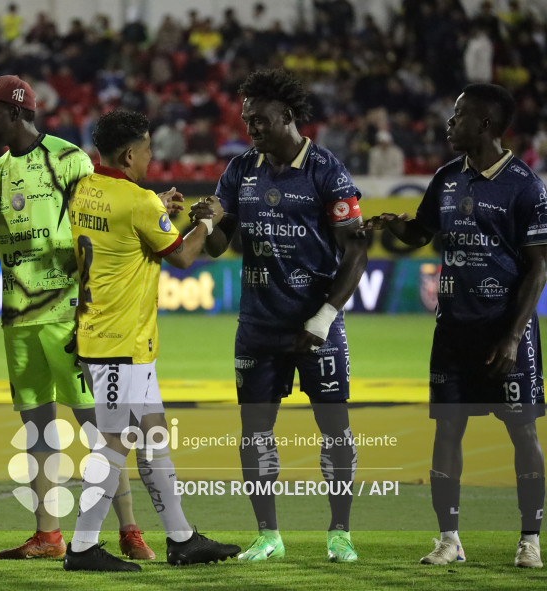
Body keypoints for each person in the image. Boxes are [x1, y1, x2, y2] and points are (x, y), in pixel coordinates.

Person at [0, 75, 154, 561]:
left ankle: (129, 529)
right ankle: (48, 535)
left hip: (69, 315)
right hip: (18, 319)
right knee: (38, 429)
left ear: (15, 112)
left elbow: (100, 226)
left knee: (98, 428)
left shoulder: (69, 159)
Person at [362, 83, 547, 568]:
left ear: (484, 124)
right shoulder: (446, 177)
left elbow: (539, 266)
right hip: (452, 331)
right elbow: (422, 231)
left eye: (459, 115)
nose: (449, 122)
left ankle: (530, 539)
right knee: (447, 431)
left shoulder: (525, 186)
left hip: (505, 333)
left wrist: (513, 336)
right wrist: (396, 225)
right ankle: (449, 539)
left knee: (522, 432)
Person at [190, 69, 367, 563]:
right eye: (247, 120)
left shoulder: (327, 171)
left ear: (287, 116)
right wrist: (207, 222)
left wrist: (325, 316)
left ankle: (340, 533)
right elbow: (221, 245)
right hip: (258, 325)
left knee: (334, 429)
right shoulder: (240, 168)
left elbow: (356, 251)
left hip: (315, 326)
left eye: (260, 119)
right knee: (254, 432)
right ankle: (268, 534)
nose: (251, 128)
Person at [63, 109, 241, 572]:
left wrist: (156, 207)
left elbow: (118, 222)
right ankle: (81, 547)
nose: (150, 157)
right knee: (114, 442)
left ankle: (181, 539)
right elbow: (182, 257)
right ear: (128, 154)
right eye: (146, 150)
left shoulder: (84, 189)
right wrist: (207, 222)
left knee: (153, 433)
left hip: (114, 340)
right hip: (118, 343)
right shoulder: (138, 201)